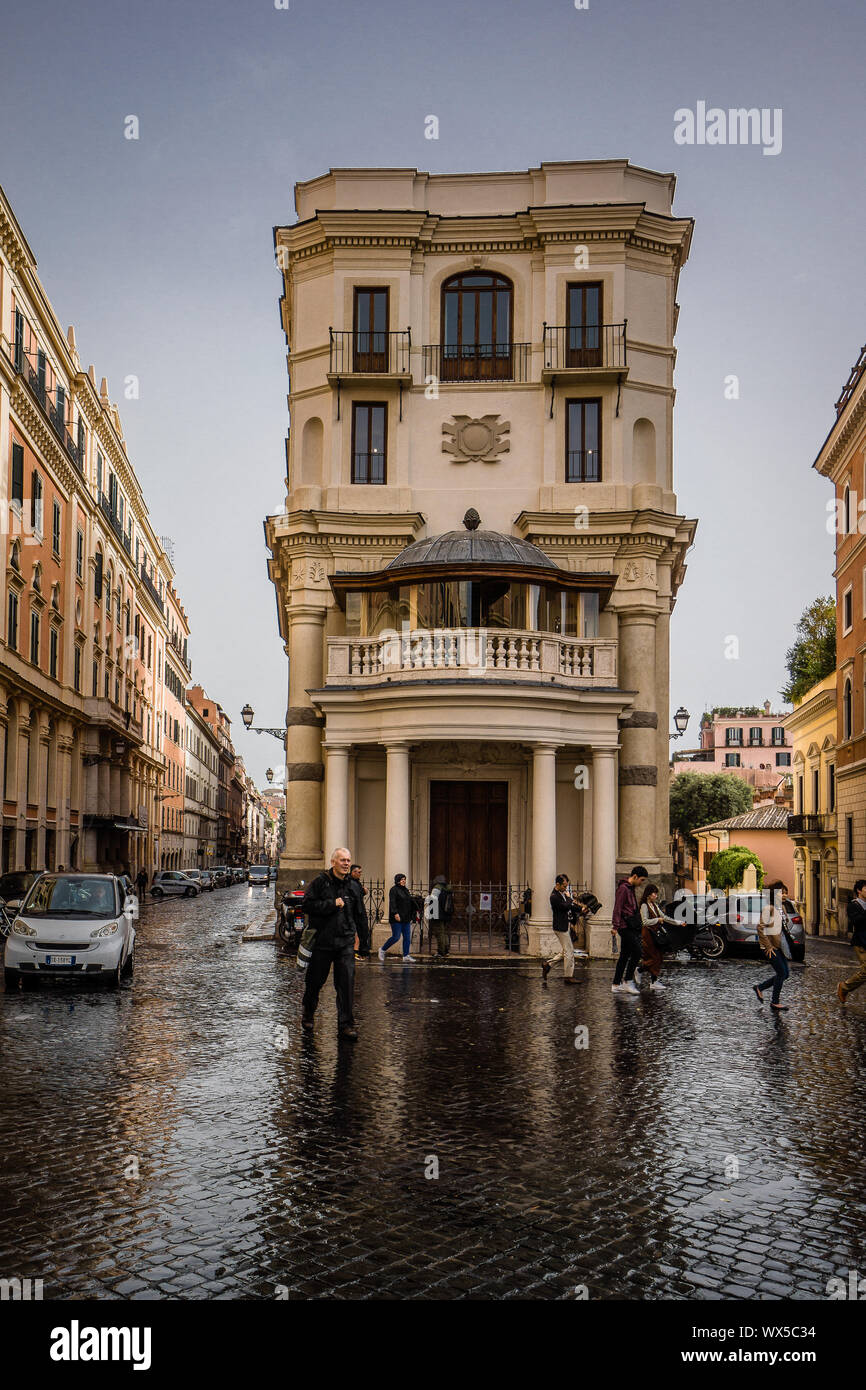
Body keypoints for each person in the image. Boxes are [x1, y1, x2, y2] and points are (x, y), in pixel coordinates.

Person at [301, 847, 359, 1039]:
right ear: (333, 862)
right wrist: (331, 904)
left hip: (345, 942)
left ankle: (346, 1025)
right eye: (342, 860)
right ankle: (308, 1013)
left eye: (348, 860)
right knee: (314, 983)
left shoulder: (353, 885)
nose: (346, 864)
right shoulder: (320, 882)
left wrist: (363, 940)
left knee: (346, 985)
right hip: (323, 942)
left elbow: (359, 913)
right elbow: (307, 906)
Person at [752, 881, 790, 1011]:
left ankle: (760, 987)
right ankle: (775, 1002)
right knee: (781, 973)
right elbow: (760, 928)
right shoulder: (769, 908)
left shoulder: (782, 908)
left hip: (779, 946)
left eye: (785, 892)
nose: (784, 895)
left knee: (786, 974)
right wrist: (768, 947)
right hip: (770, 947)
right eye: (781, 892)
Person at [612, 866, 648, 995]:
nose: (641, 883)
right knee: (637, 952)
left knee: (624, 956)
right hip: (624, 926)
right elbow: (618, 907)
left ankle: (616, 984)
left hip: (630, 925)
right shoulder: (623, 889)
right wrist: (615, 926)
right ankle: (627, 981)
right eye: (641, 880)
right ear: (635, 877)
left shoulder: (630, 888)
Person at [639, 884, 678, 990]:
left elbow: (664, 917)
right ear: (648, 894)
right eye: (654, 893)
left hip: (655, 935)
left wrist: (677, 922)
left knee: (659, 957)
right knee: (653, 957)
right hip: (648, 935)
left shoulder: (654, 905)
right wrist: (657, 920)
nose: (656, 895)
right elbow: (645, 921)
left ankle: (654, 981)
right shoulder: (644, 906)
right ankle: (639, 970)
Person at [542, 874, 578, 984]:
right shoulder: (554, 896)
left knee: (565, 951)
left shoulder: (561, 894)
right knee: (569, 951)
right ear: (557, 884)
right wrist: (569, 898)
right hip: (560, 927)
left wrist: (581, 908)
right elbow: (565, 906)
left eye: (566, 886)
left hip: (564, 925)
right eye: (564, 886)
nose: (565, 888)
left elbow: (570, 906)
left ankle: (548, 964)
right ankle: (568, 976)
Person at [838, 878, 866, 1004]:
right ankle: (844, 987)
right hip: (861, 942)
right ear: (859, 891)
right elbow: (856, 921)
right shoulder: (853, 905)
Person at [379, 874, 417, 962]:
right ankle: (382, 949)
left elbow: (408, 903)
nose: (403, 881)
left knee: (407, 937)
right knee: (396, 937)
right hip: (396, 918)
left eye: (404, 879)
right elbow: (392, 902)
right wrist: (395, 913)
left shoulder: (406, 890)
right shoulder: (394, 890)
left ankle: (406, 955)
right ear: (397, 880)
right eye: (401, 879)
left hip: (406, 917)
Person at [425, 875, 453, 958]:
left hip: (438, 914)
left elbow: (432, 901)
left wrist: (430, 913)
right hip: (446, 914)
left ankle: (441, 952)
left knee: (439, 933)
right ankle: (446, 950)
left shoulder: (437, 888)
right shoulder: (449, 888)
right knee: (445, 933)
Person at [347, 864, 370, 960]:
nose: (360, 874)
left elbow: (358, 894)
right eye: (359, 872)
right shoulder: (351, 883)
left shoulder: (356, 882)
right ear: (353, 872)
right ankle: (355, 952)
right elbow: (354, 897)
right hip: (355, 912)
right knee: (357, 933)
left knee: (361, 932)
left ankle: (358, 952)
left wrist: (363, 891)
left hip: (358, 910)